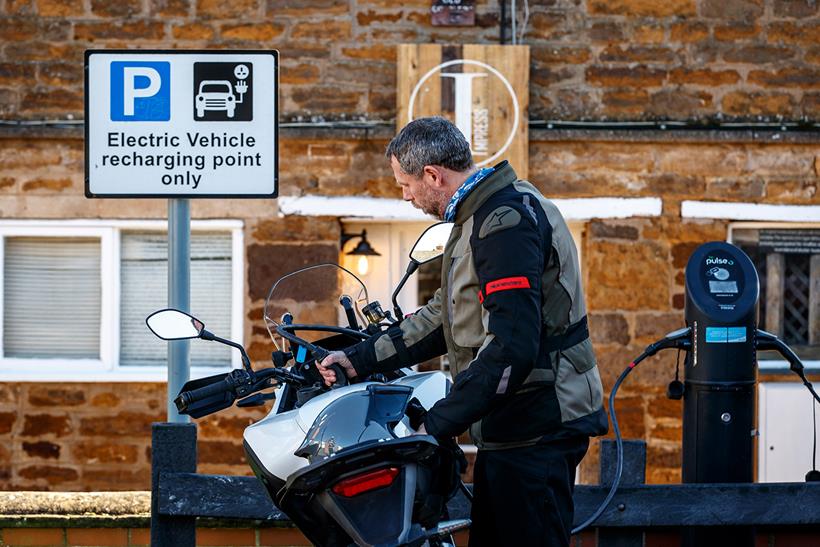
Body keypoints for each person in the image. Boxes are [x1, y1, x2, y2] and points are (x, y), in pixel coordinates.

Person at [318, 116, 608, 546]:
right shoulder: (480, 214)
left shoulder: (503, 223)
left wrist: (435, 425)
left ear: (433, 175)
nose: (406, 197)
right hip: (515, 424)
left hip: (537, 425)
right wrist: (357, 360)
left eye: (406, 185)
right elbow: (442, 317)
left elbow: (512, 347)